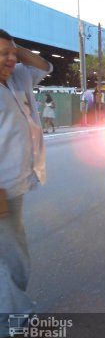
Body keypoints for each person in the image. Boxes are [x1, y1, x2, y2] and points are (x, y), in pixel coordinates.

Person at [0, 29, 52, 331]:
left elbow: (45, 67)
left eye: (12, 53)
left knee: (14, 252)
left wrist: (14, 50)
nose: (10, 59)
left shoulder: (18, 78)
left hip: (15, 183)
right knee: (10, 257)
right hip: (1, 187)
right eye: (3, 54)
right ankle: (11, 319)